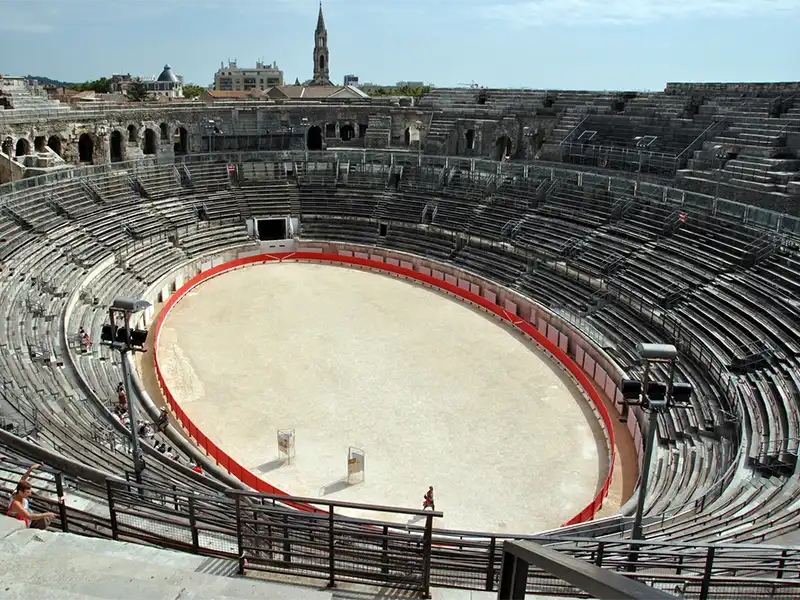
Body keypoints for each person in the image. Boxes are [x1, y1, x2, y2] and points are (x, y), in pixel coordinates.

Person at [6, 463, 57, 529]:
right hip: (23, 524)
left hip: (27, 520)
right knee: (44, 519)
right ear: (20, 492)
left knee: (44, 519)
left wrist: (31, 469)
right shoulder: (16, 503)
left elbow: (22, 479)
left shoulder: (17, 493)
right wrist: (47, 514)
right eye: (27, 492)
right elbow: (29, 516)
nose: (29, 494)